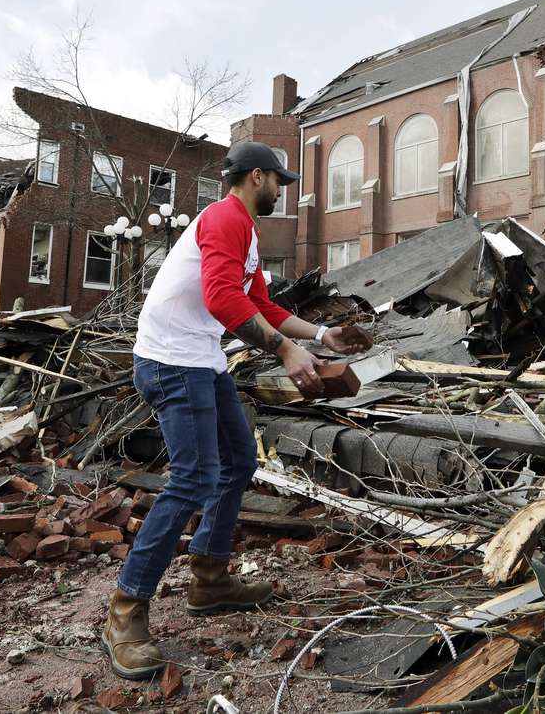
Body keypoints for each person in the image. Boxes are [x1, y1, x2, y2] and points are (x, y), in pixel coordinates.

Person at [101, 141, 371, 679]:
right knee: (193, 477)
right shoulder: (224, 218)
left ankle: (210, 577)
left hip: (201, 358)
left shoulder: (243, 228)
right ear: (255, 177)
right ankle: (126, 610)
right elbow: (224, 299)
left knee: (239, 460)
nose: (282, 189)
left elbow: (259, 305)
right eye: (279, 181)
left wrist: (322, 335)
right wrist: (286, 350)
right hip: (171, 362)